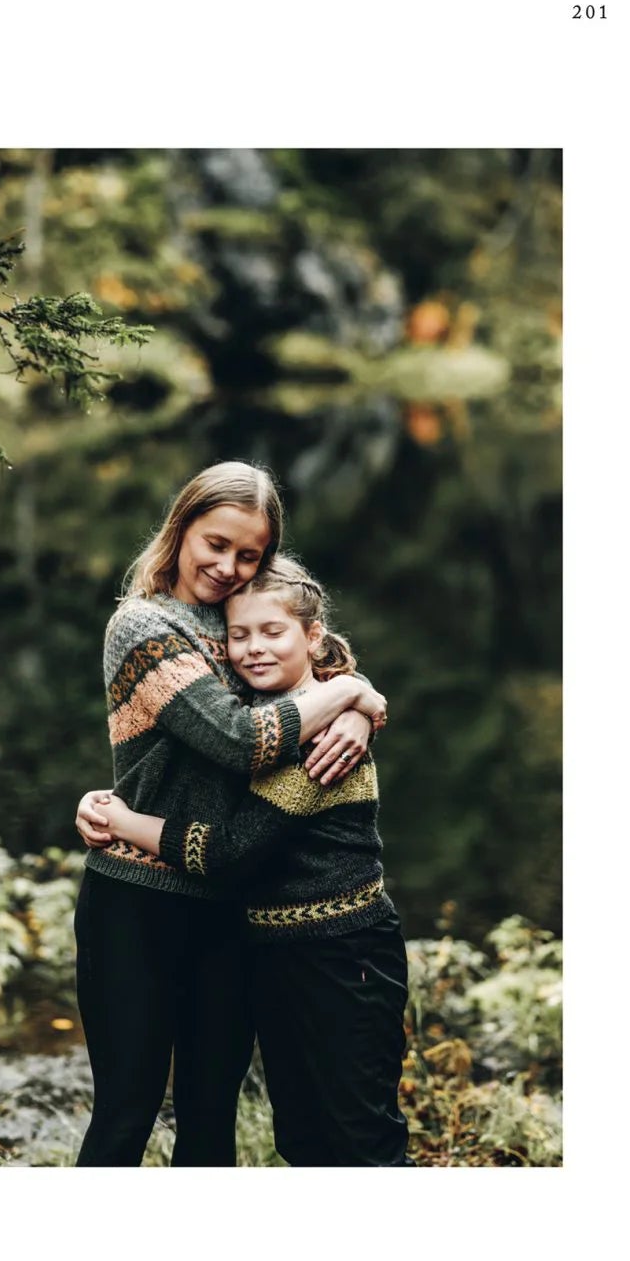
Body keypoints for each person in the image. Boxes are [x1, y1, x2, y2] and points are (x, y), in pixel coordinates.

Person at [70, 461, 387, 1167]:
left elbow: (314, 654)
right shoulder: (143, 625)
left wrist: (359, 698)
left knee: (211, 1124)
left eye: (250, 554)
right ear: (181, 529)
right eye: (215, 544)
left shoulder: (246, 619)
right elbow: (236, 740)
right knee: (126, 1114)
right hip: (137, 900)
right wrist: (352, 698)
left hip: (229, 904)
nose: (228, 565)